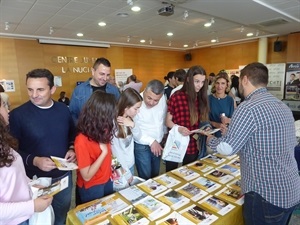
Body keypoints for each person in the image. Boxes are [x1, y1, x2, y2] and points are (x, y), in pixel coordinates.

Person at [206, 62, 300, 225]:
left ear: (244, 80)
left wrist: (210, 140)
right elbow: (269, 140)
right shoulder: (282, 106)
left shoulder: (247, 108)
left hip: (265, 195)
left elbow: (227, 148)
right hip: (290, 189)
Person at [9, 68, 76, 225]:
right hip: (34, 180)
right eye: (30, 89)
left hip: (63, 178)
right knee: (39, 220)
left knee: (61, 215)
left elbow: (71, 135)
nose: (34, 95)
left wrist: (72, 148)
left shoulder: (63, 110)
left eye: (40, 89)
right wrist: (34, 160)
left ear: (52, 89)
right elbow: (10, 151)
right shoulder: (18, 115)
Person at [0, 95, 53, 225]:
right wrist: (32, 206)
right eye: (3, 105)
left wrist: (31, 185)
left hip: (25, 214)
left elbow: (13, 176)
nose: (8, 110)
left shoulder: (3, 142)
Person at [75, 91, 116, 204]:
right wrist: (103, 153)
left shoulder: (104, 129)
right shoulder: (81, 140)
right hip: (93, 186)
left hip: (107, 178)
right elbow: (86, 176)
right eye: (111, 114)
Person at [165, 65, 209, 172]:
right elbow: (167, 121)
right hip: (176, 140)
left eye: (202, 82)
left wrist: (205, 128)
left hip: (193, 141)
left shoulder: (201, 97)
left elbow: (203, 121)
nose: (200, 85)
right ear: (189, 79)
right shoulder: (177, 96)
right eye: (197, 81)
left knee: (189, 173)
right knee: (171, 173)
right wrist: (179, 128)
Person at [133, 80, 167, 180]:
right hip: (142, 145)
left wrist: (164, 134)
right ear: (145, 91)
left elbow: (162, 117)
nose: (152, 102)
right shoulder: (136, 102)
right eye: (149, 98)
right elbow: (134, 129)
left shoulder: (162, 99)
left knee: (155, 175)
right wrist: (152, 141)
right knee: (146, 178)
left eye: (156, 100)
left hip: (158, 143)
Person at [69, 57, 120, 123]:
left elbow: (119, 111)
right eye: (102, 74)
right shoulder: (79, 90)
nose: (105, 78)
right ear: (93, 71)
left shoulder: (114, 90)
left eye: (108, 75)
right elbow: (72, 114)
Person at [112, 88, 143, 176]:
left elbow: (138, 137)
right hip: (120, 167)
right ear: (126, 107)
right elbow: (115, 153)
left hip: (130, 163)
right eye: (136, 108)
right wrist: (125, 173)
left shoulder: (131, 118)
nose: (138, 112)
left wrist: (132, 125)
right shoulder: (115, 123)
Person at [208, 72, 234, 137]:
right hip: (211, 135)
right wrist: (216, 124)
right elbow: (204, 120)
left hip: (225, 134)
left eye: (223, 83)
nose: (220, 86)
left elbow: (233, 120)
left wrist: (228, 120)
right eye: (217, 83)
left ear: (227, 85)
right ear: (214, 84)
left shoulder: (230, 100)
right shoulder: (208, 99)